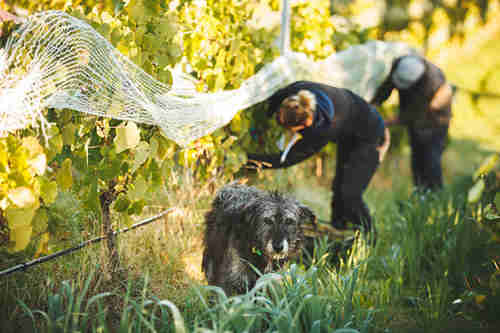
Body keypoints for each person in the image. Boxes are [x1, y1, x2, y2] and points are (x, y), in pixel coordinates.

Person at [246, 80, 390, 243]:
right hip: (350, 132)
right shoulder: (299, 92)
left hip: (371, 136)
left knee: (350, 194)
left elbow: (288, 158)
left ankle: (369, 238)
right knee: (338, 188)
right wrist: (268, 112)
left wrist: (249, 160)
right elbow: (278, 97)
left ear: (302, 126)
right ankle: (339, 230)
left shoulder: (322, 130)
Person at [371, 54, 453, 191]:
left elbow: (412, 113)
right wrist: (373, 105)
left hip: (435, 118)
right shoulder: (401, 65)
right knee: (417, 154)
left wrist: (385, 122)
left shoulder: (430, 82)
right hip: (416, 115)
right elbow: (387, 87)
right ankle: (419, 191)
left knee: (430, 156)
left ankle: (435, 192)